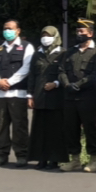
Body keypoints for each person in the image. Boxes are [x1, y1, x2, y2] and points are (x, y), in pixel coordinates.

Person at [0, 19, 34, 168]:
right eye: (5, 28)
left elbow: (26, 68)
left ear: (18, 31)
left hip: (17, 93)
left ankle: (22, 155)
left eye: (10, 28)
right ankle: (1, 155)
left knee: (19, 126)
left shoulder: (27, 47)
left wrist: (9, 82)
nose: (7, 31)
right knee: (1, 126)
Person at [59, 20, 96, 173]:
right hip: (69, 96)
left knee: (90, 128)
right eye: (77, 31)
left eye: (82, 32)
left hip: (87, 96)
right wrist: (66, 84)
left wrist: (80, 84)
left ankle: (94, 160)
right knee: (71, 128)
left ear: (90, 33)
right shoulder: (70, 51)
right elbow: (61, 70)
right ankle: (75, 160)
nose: (79, 34)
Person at [28, 26, 67, 170]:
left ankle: (54, 160)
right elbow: (32, 75)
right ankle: (41, 158)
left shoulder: (62, 53)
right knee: (40, 130)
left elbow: (64, 73)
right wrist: (29, 95)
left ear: (55, 36)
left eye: (48, 35)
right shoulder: (37, 54)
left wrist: (56, 84)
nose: (45, 38)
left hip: (56, 97)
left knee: (55, 130)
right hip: (39, 96)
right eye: (43, 35)